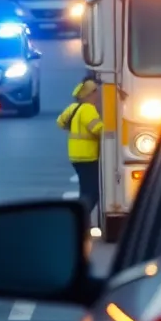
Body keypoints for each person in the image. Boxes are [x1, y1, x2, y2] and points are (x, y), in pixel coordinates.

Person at [57, 77, 104, 226]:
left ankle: (81, 219)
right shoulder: (88, 109)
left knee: (85, 189)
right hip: (88, 155)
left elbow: (60, 122)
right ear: (89, 94)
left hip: (75, 155)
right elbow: (97, 129)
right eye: (95, 92)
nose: (97, 96)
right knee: (92, 192)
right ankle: (79, 218)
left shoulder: (73, 108)